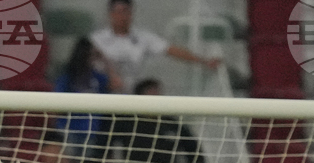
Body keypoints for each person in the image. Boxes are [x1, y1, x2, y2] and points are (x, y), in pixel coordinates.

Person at [90, 0, 220, 97]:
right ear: (110, 14)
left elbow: (171, 50)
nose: (122, 16)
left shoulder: (142, 37)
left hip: (133, 93)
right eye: (118, 12)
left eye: (126, 12)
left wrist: (204, 61)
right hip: (104, 92)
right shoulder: (97, 39)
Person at [54, 37, 118, 158]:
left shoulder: (96, 77)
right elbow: (56, 105)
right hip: (69, 131)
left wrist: (105, 60)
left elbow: (116, 84)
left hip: (90, 131)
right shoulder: (68, 77)